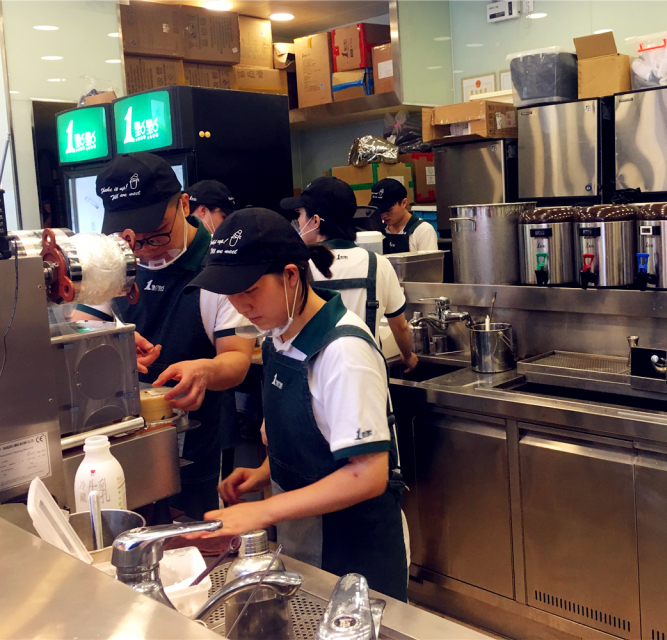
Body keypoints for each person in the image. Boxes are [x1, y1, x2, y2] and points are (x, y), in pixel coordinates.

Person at [186, 208, 408, 601]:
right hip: (305, 543)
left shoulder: (343, 351)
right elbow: (318, 439)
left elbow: (368, 473)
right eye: (231, 294)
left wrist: (262, 511)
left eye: (250, 290)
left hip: (355, 552)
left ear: (291, 276)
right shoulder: (278, 336)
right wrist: (265, 472)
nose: (240, 305)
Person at [74, 152, 255, 519]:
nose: (143, 248)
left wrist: (203, 371)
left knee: (193, 529)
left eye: (155, 233)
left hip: (198, 432)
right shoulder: (116, 264)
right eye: (130, 238)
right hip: (123, 429)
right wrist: (112, 343)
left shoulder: (219, 266)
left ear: (184, 205)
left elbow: (237, 358)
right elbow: (81, 329)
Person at [281, 177, 418, 372]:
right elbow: (400, 326)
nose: (299, 222)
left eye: (300, 214)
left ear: (316, 221)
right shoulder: (378, 264)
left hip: (314, 376)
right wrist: (408, 356)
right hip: (367, 374)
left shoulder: (297, 268)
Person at [368, 178, 438, 254]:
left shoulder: (423, 231)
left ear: (404, 203)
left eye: (388, 210)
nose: (384, 215)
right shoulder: (377, 230)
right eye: (380, 210)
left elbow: (429, 261)